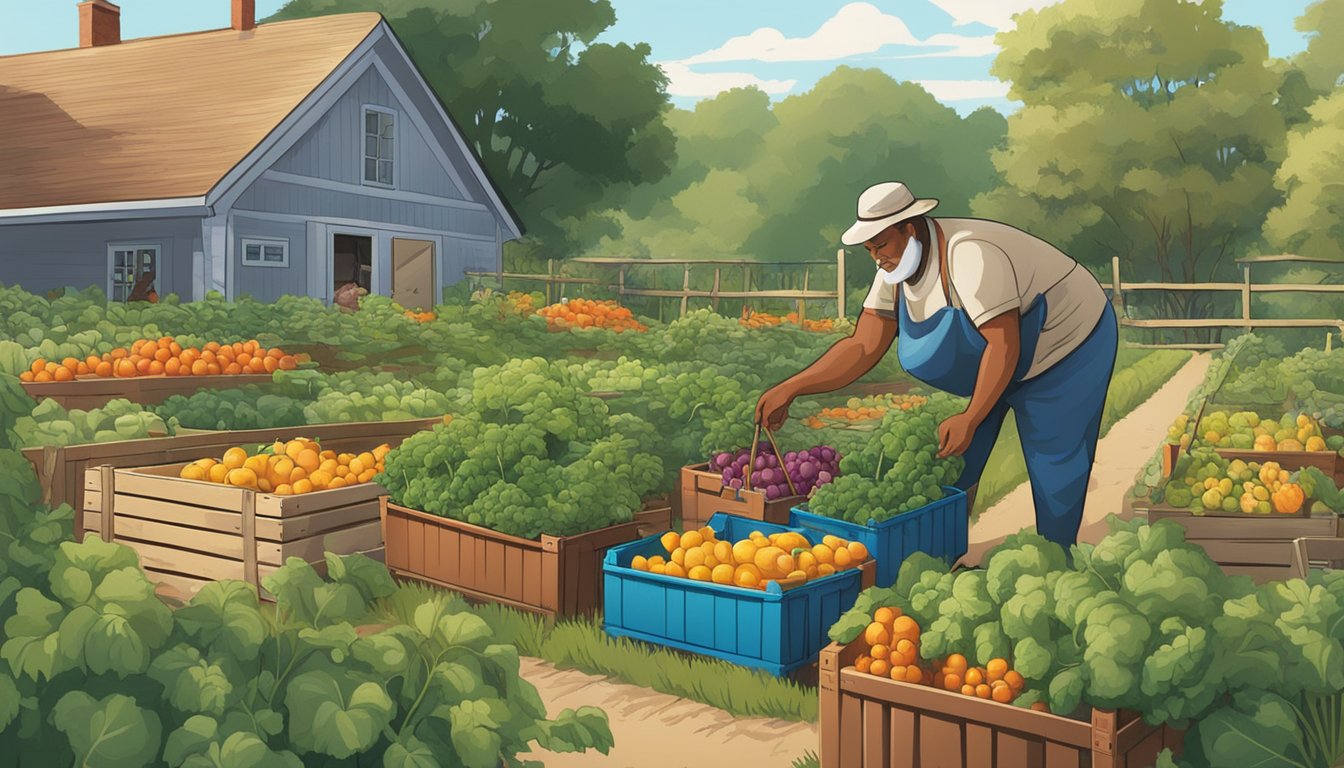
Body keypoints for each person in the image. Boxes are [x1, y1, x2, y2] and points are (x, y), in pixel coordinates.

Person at [754, 181, 1117, 549]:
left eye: (880, 244)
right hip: (1000, 356)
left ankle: (1056, 560)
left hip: (1067, 341)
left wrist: (972, 417)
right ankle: (944, 553)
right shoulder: (893, 272)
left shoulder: (970, 254)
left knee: (1055, 463)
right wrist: (791, 388)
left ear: (909, 228)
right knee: (956, 465)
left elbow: (1004, 343)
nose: (876, 256)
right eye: (869, 248)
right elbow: (862, 345)